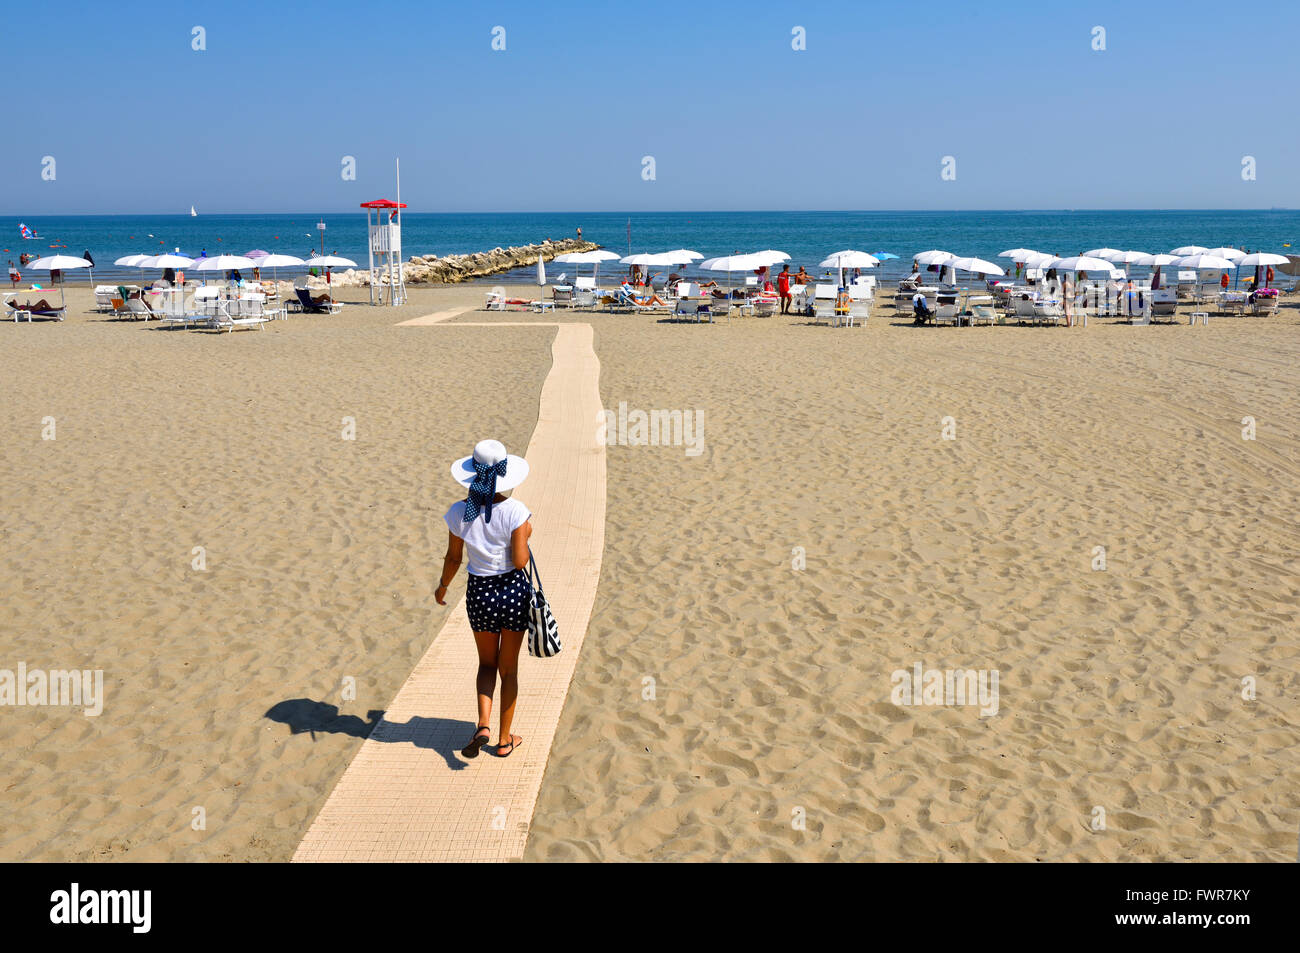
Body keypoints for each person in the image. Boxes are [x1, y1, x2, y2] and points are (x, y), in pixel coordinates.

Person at [436, 440, 534, 760]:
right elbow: (520, 562)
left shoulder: (458, 513)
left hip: (479, 595)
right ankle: (505, 740)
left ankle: (483, 724)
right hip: (513, 594)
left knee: (486, 663)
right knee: (510, 669)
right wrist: (526, 534)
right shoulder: (516, 512)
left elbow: (453, 558)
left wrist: (442, 587)